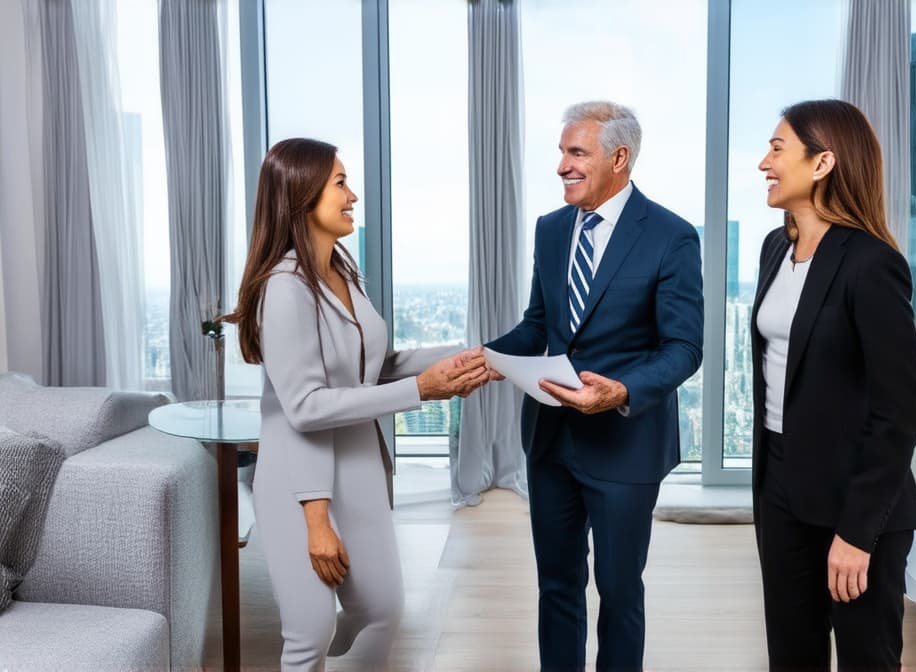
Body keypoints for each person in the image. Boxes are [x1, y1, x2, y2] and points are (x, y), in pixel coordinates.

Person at [222, 137, 488, 672]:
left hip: (361, 469)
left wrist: (457, 358)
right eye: (340, 183)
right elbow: (304, 406)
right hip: (301, 482)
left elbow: (372, 366)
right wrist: (423, 391)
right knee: (310, 632)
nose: (353, 196)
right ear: (302, 195)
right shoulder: (284, 287)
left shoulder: (341, 273)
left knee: (383, 611)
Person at [487, 101, 703, 671]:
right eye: (561, 152)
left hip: (625, 444)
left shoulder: (672, 236)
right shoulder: (551, 230)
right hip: (551, 439)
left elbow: (683, 348)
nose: (561, 165)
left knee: (618, 588)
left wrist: (622, 392)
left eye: (575, 152)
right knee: (557, 586)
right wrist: (489, 357)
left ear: (619, 158)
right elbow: (540, 323)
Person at [751, 99, 916, 671]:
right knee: (791, 656)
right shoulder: (776, 248)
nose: (763, 164)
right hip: (780, 485)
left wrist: (856, 534)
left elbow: (899, 414)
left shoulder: (872, 264)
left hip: (856, 498)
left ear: (822, 162)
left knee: (865, 660)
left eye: (777, 149)